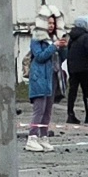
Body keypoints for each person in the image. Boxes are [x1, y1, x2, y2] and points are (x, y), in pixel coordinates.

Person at [25, 22, 58, 152]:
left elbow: (61, 57)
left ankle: (43, 136)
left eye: (53, 23)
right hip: (39, 77)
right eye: (49, 22)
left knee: (47, 110)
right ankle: (32, 136)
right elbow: (40, 56)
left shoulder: (54, 38)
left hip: (51, 78)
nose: (51, 25)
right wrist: (53, 47)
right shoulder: (36, 38)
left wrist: (63, 47)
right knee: (39, 109)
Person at [65, 16, 88, 125]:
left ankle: (70, 114)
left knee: (72, 91)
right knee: (86, 92)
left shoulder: (71, 36)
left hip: (72, 67)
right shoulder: (86, 36)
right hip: (83, 67)